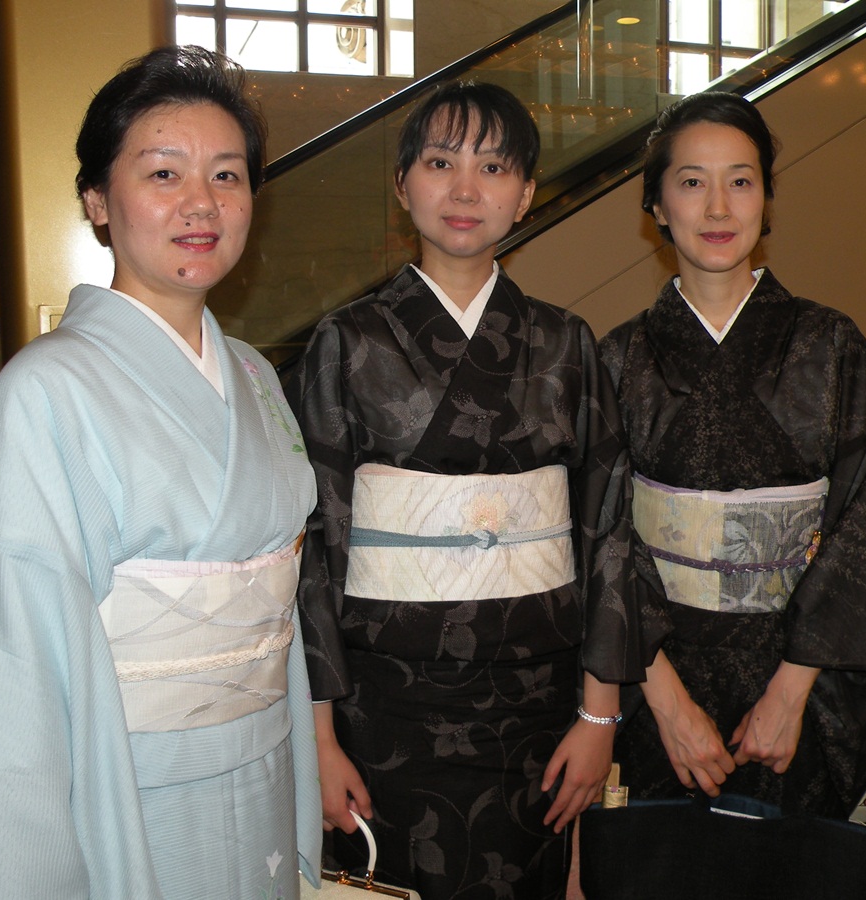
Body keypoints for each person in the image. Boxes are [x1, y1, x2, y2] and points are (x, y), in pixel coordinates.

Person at [0, 46, 322, 899]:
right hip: (127, 786)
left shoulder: (254, 375)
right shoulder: (44, 392)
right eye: (164, 173)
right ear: (98, 200)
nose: (202, 203)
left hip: (262, 764)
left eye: (227, 175)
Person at [289, 80, 662, 900]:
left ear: (525, 195)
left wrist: (599, 717)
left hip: (534, 710)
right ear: (402, 184)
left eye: (493, 168)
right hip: (383, 708)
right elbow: (311, 550)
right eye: (439, 163)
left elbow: (607, 531)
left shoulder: (565, 343)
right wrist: (317, 738)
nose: (465, 190)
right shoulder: (346, 342)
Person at [599, 91, 866, 818]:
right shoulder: (618, 358)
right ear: (656, 205)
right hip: (657, 686)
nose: (718, 208)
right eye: (691, 182)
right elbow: (600, 538)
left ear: (767, 199)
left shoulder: (830, 346)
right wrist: (668, 704)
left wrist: (791, 690)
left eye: (740, 181)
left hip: (801, 685)